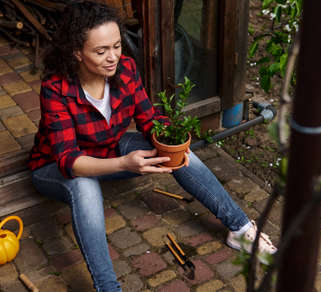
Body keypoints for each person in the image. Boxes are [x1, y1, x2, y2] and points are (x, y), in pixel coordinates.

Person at [28, 2, 276, 291]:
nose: (113, 58)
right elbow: (69, 161)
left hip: (109, 149)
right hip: (54, 168)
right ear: (76, 52)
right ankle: (108, 288)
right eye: (101, 51)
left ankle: (240, 229)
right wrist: (124, 164)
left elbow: (149, 119)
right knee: (84, 186)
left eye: (117, 46)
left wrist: (173, 139)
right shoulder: (56, 89)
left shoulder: (127, 68)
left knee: (175, 150)